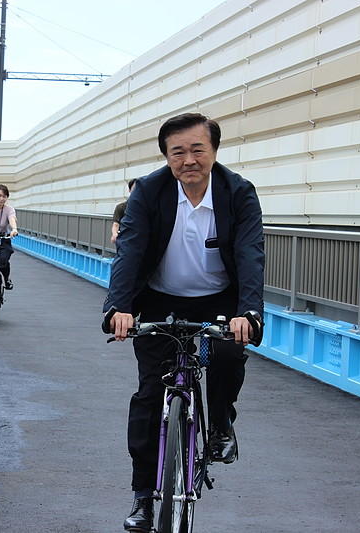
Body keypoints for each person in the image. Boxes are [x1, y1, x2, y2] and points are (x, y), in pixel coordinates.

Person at [102, 113, 264, 532]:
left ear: (213, 151)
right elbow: (131, 251)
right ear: (166, 157)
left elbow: (250, 253)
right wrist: (117, 308)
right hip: (159, 300)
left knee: (227, 355)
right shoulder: (150, 192)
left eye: (197, 150)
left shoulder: (238, 193)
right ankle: (142, 496)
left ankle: (221, 422)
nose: (188, 159)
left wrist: (249, 312)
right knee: (148, 394)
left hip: (219, 301)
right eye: (178, 152)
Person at [110, 178, 138, 244]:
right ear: (129, 190)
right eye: (134, 189)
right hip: (125, 241)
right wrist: (114, 234)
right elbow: (116, 224)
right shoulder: (121, 207)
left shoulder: (145, 207)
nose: (137, 192)